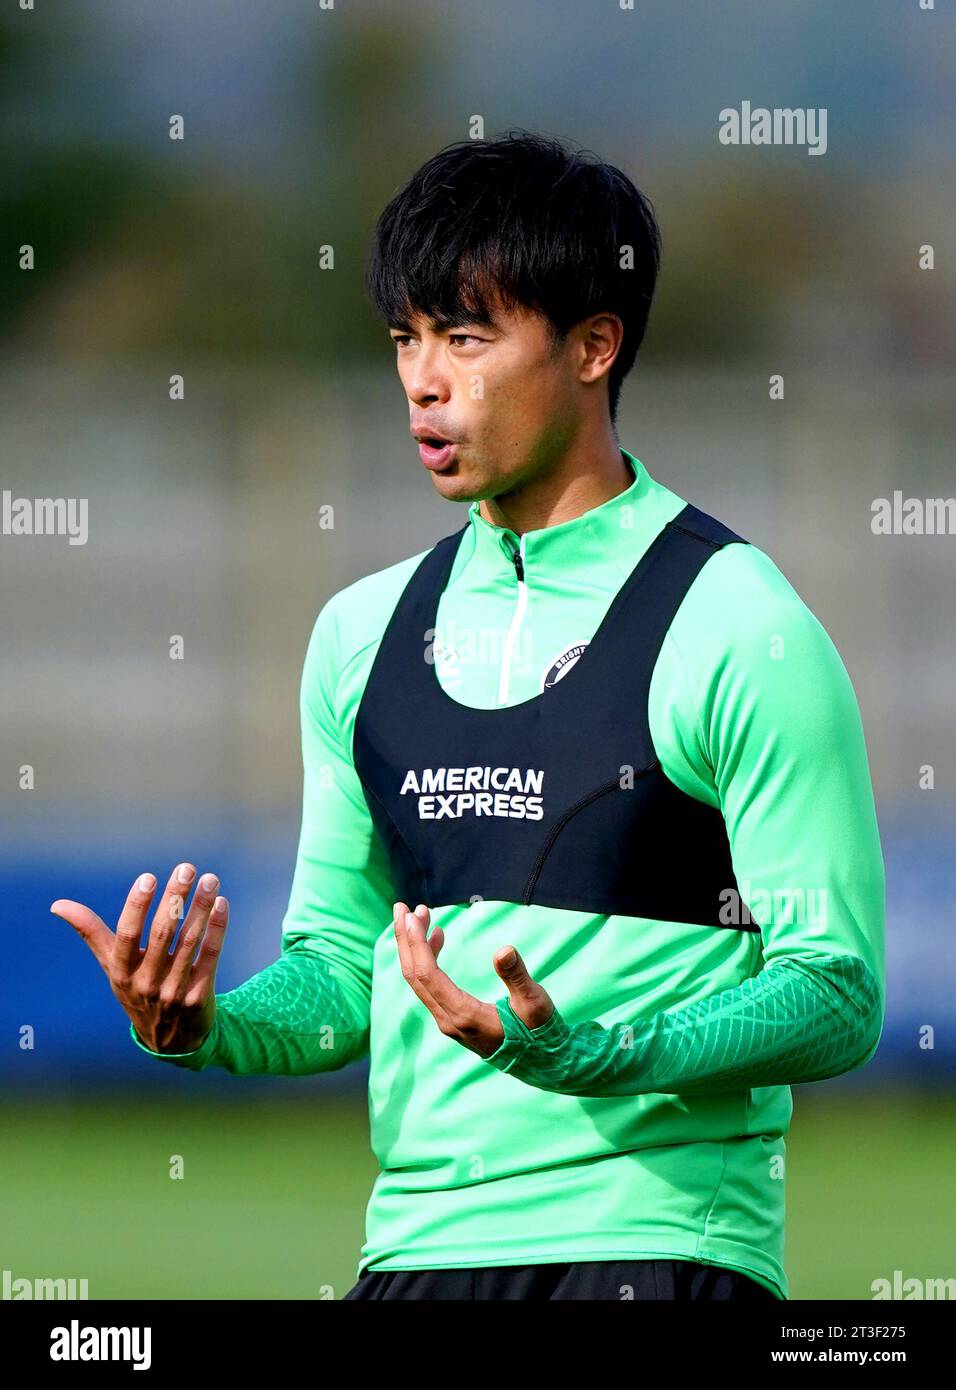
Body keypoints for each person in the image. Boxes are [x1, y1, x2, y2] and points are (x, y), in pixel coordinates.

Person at [51, 131, 885, 1302]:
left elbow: (835, 989)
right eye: (405, 337)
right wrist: (206, 1028)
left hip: (657, 1251)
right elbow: (341, 970)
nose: (422, 379)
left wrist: (601, 1055)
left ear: (595, 346)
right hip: (412, 1262)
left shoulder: (738, 622)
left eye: (466, 335)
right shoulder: (361, 632)